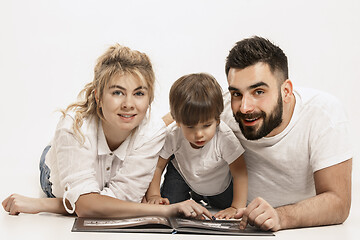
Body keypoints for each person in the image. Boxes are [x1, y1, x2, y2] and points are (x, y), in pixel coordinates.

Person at [2, 44, 212, 219]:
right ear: (98, 97)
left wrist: (85, 202)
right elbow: (87, 207)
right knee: (61, 175)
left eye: (139, 93)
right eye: (117, 92)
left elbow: (121, 201)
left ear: (150, 100)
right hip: (55, 174)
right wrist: (166, 209)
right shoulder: (74, 128)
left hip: (104, 177)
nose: (129, 104)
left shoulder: (153, 131)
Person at [221, 36, 353, 231]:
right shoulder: (223, 108)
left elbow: (338, 202)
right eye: (236, 93)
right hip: (227, 217)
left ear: (286, 91)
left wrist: (280, 217)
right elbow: (168, 123)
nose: (245, 107)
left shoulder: (323, 114)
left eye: (258, 91)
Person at [145, 73, 248, 219]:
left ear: (217, 120)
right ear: (179, 122)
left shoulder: (225, 137)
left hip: (218, 185)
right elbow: (157, 166)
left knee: (224, 204)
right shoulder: (174, 133)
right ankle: (193, 195)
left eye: (206, 125)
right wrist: (154, 195)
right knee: (170, 205)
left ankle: (202, 197)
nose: (199, 134)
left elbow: (240, 173)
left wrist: (236, 207)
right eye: (191, 127)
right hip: (184, 175)